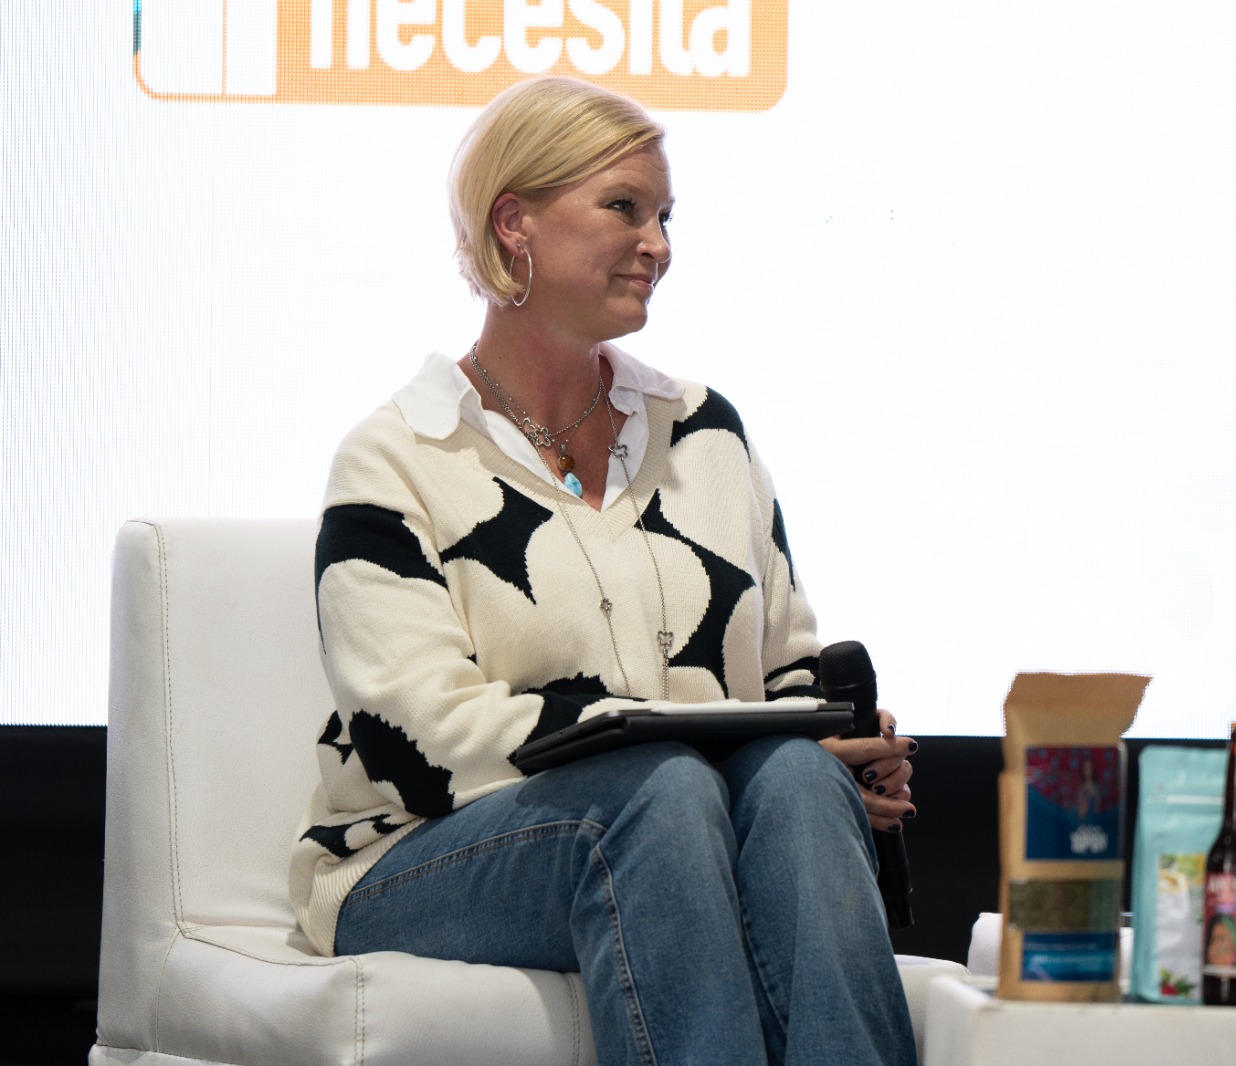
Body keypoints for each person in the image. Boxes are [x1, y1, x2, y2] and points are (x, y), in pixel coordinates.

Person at [287, 76, 918, 1066]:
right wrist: (663, 748)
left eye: (665, 215)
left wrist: (841, 750)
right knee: (659, 792)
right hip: (422, 855)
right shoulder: (396, 454)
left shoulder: (706, 431)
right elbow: (421, 738)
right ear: (515, 224)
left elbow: (786, 667)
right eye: (624, 208)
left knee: (795, 781)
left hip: (675, 819)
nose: (658, 243)